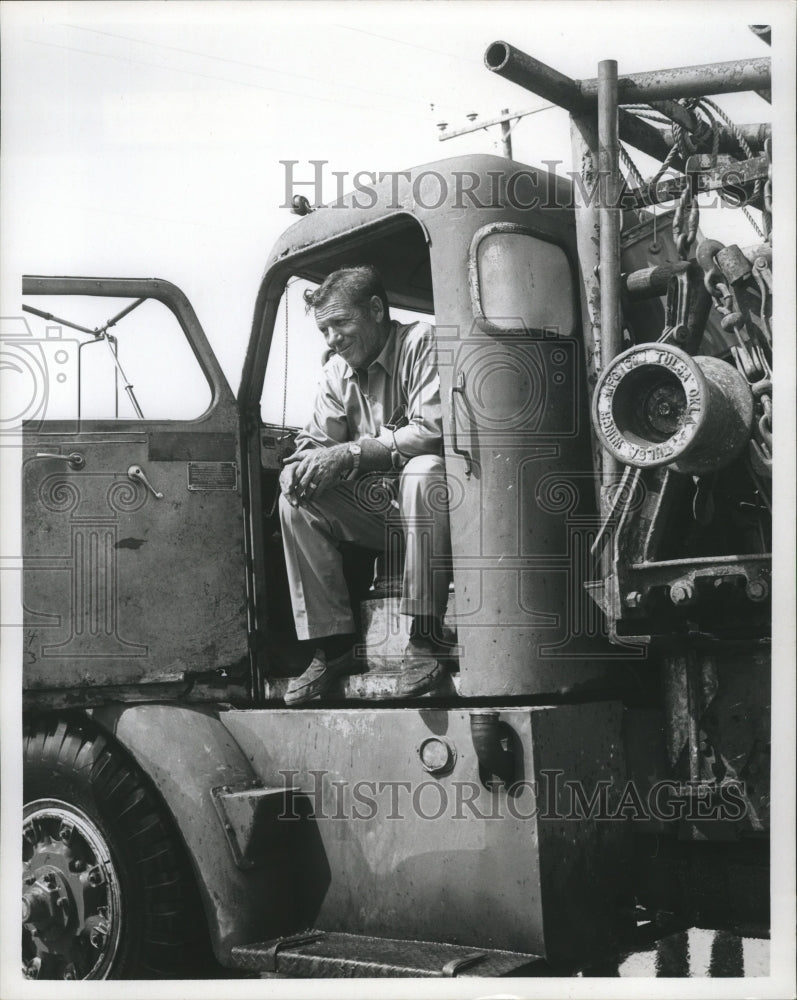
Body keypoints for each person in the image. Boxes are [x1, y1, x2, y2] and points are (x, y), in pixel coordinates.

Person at [278, 265, 452, 705]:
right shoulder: (336, 373)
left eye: (341, 323)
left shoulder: (422, 342)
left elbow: (431, 430)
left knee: (424, 469)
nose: (333, 339)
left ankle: (425, 636)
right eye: (324, 330)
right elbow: (315, 445)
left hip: (445, 512)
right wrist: (295, 469)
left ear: (375, 310)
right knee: (297, 500)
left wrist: (354, 453)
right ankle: (336, 647)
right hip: (383, 513)